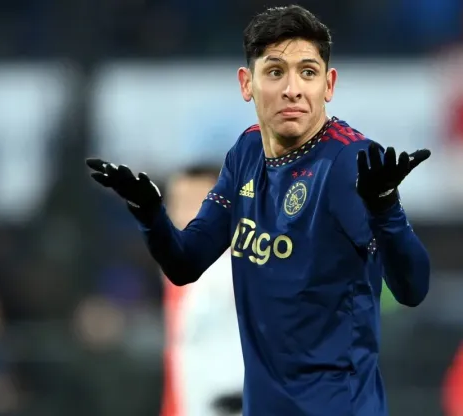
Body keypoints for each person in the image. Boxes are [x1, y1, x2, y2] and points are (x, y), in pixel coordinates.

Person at [86, 5, 431, 415]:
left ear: (329, 84)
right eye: (275, 72)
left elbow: (412, 289)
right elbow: (185, 264)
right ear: (246, 83)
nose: (293, 89)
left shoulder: (347, 164)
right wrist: (149, 213)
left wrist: (385, 208)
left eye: (308, 72)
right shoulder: (246, 152)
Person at [160, 165, 244, 416]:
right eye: (177, 202)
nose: (185, 212)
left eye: (197, 201)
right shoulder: (176, 273)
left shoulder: (239, 268)